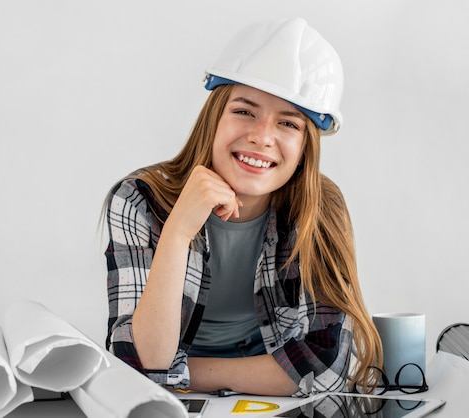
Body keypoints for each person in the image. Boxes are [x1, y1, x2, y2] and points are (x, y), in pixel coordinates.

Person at [103, 17, 382, 396]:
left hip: (263, 403)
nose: (261, 137)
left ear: (305, 149)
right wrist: (178, 231)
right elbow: (143, 359)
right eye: (244, 111)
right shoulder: (138, 199)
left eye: (288, 123)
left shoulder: (321, 209)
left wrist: (180, 374)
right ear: (214, 117)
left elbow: (324, 368)